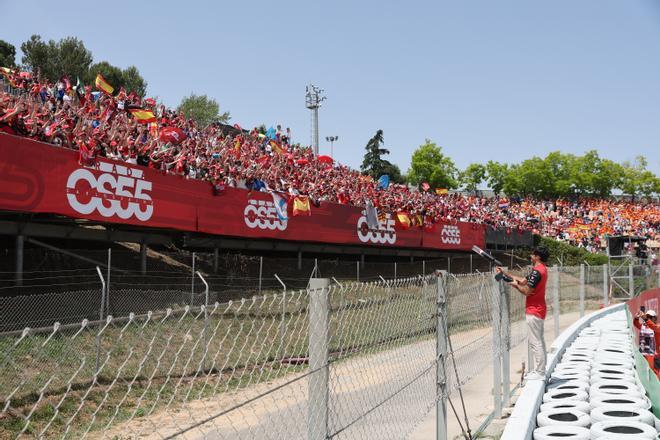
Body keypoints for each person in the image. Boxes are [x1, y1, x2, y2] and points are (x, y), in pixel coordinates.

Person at [497, 245, 550, 381]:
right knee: (539, 340)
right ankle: (541, 369)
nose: (531, 256)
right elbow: (523, 280)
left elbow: (527, 290)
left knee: (535, 341)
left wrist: (513, 284)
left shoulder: (537, 272)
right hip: (539, 308)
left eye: (533, 254)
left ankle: (540, 372)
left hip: (534, 310)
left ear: (537, 256)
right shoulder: (540, 270)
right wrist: (506, 275)